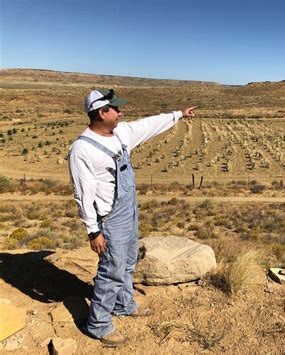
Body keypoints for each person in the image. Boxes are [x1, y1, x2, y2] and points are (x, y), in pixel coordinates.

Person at [68, 88, 196, 346]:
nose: (121, 112)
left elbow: (148, 125)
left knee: (127, 262)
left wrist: (178, 115)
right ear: (101, 113)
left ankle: (124, 304)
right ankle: (99, 324)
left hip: (129, 209)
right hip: (110, 217)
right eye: (115, 109)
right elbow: (83, 194)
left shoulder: (120, 133)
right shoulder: (82, 149)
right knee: (111, 271)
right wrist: (94, 231)